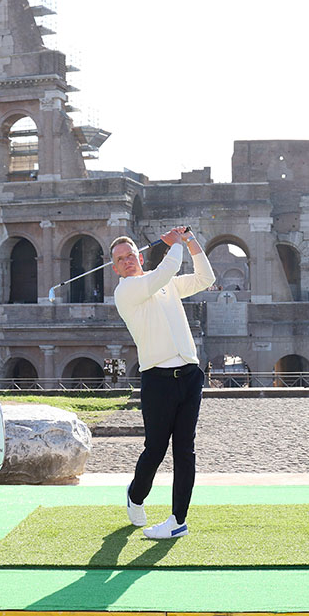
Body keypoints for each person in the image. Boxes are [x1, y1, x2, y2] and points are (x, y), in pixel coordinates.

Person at [111, 227, 215, 539]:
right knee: (155, 449)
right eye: (121, 259)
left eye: (131, 255)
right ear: (115, 267)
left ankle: (177, 521)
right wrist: (175, 243)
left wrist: (191, 240)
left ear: (139, 256)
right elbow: (164, 270)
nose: (127, 261)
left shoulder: (164, 282)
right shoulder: (126, 291)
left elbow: (205, 279)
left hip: (189, 376)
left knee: (185, 450)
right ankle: (136, 496)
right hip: (157, 380)